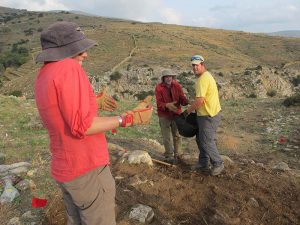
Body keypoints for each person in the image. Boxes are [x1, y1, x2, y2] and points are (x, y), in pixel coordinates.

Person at [34, 21, 153, 225]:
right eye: (79, 50)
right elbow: (83, 126)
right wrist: (126, 119)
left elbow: (59, 112)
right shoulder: (69, 68)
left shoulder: (44, 74)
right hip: (85, 166)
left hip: (65, 168)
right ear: (65, 50)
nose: (85, 54)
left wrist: (90, 102)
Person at [185, 55, 224, 176]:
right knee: (200, 138)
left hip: (208, 115)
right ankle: (203, 162)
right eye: (193, 65)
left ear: (202, 65)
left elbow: (200, 101)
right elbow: (201, 99)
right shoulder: (206, 76)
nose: (195, 67)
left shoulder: (202, 79)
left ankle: (218, 163)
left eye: (197, 65)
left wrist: (188, 110)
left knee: (206, 140)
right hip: (206, 114)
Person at [155, 69, 188, 163]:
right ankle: (169, 155)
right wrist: (167, 105)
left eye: (170, 76)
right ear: (163, 78)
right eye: (166, 77)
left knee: (177, 135)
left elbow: (182, 98)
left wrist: (186, 100)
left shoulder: (177, 85)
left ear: (172, 77)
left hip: (176, 113)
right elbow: (159, 103)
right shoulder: (159, 88)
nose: (169, 78)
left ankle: (178, 154)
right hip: (164, 115)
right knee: (166, 136)